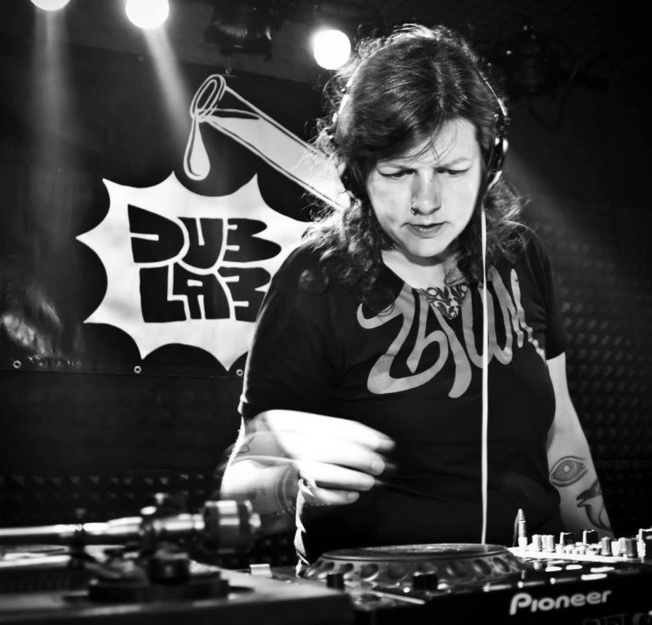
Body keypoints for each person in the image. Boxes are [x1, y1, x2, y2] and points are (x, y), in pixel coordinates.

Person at [220, 23, 612, 565]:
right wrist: (289, 480)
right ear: (357, 173)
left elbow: (562, 432)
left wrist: (605, 567)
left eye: (451, 170)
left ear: (490, 164)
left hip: (523, 580)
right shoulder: (314, 279)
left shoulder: (522, 256)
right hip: (376, 593)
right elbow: (242, 485)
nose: (426, 201)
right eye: (398, 171)